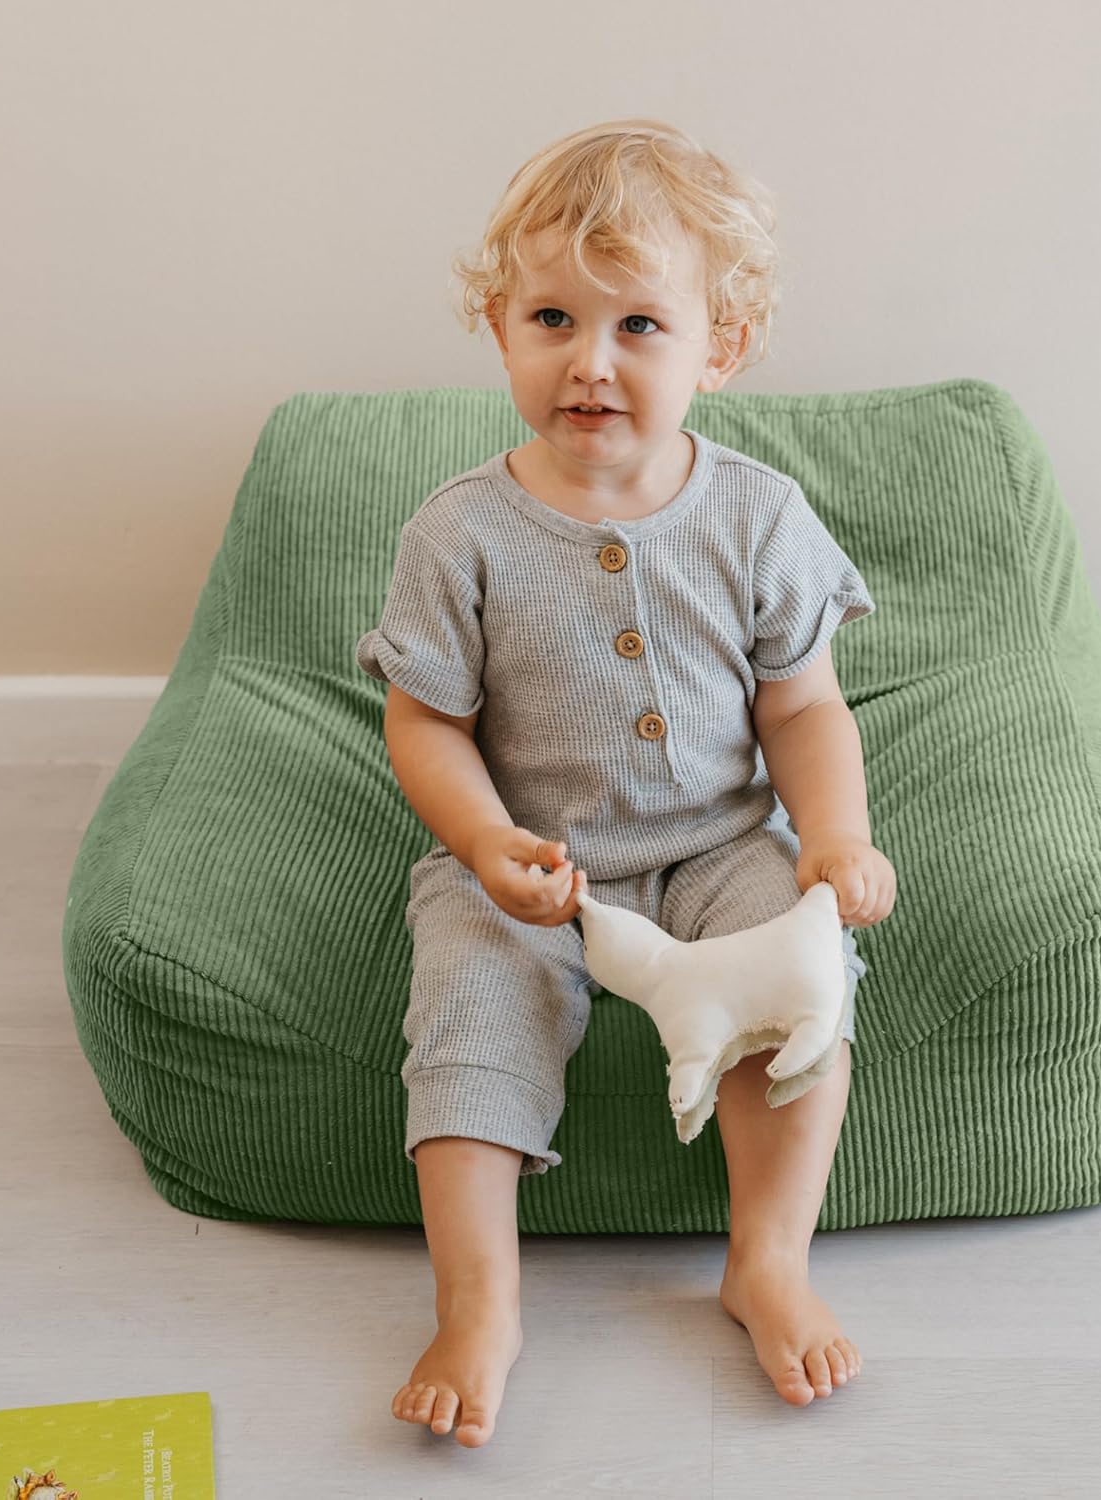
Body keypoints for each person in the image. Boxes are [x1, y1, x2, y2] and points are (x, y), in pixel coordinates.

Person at [356, 118, 897, 1448]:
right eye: (552, 318)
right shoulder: (462, 531)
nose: (590, 362)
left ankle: (766, 1262)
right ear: (500, 330)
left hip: (720, 843)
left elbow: (803, 705)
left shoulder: (758, 516)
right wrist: (484, 840)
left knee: (801, 987)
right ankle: (480, 1304)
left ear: (722, 347)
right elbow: (425, 721)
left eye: (640, 326)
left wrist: (833, 839)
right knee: (468, 1012)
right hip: (535, 863)